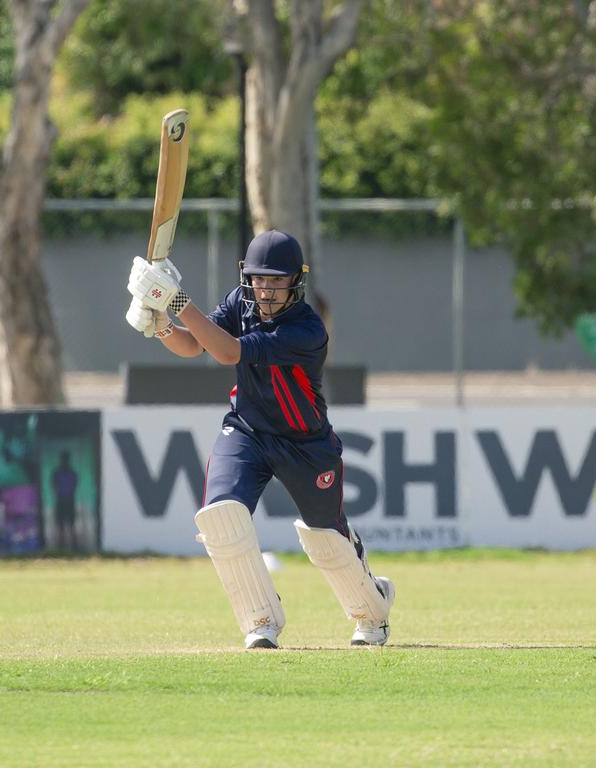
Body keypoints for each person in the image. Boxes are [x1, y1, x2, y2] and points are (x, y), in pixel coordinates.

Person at [125, 229, 395, 650]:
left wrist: (175, 300)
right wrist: (160, 325)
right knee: (220, 516)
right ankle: (260, 620)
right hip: (248, 431)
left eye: (276, 280)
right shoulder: (240, 302)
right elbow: (195, 344)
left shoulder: (306, 329)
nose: (266, 289)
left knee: (325, 539)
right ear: (246, 278)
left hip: (305, 443)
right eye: (258, 279)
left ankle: (372, 610)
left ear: (295, 282)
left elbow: (229, 352)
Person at [51, 450, 79, 552]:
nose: (65, 461)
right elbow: (54, 486)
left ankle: (73, 546)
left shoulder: (72, 473)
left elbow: (74, 486)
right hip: (62, 500)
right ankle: (61, 547)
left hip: (68, 500)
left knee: (71, 525)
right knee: (61, 526)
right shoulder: (57, 473)